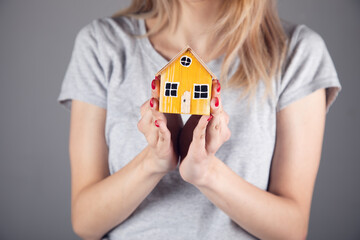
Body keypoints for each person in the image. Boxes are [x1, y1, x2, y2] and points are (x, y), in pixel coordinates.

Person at [57, 0, 341, 239]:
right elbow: (86, 221)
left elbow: (291, 229)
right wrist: (153, 163)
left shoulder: (297, 52)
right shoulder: (101, 44)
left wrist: (207, 173)